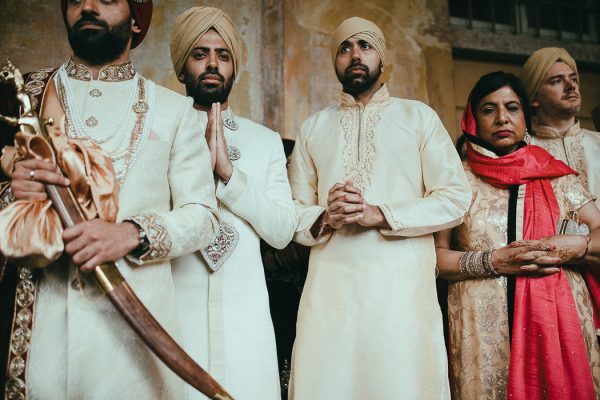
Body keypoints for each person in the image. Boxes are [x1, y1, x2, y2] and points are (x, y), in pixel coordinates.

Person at [0, 1, 219, 398]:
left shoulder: (175, 111)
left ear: (137, 19)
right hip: (40, 338)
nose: (88, 7)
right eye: (77, 0)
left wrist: (132, 234)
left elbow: (204, 216)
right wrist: (13, 194)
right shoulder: (23, 99)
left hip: (134, 341)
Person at [287, 16, 471, 399]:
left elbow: (455, 197)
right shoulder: (313, 127)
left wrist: (381, 213)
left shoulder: (418, 117)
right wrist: (326, 216)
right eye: (344, 47)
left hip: (401, 294)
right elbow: (292, 211)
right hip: (330, 294)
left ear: (381, 57)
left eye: (365, 46)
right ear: (335, 62)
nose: (355, 55)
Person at [434, 71, 600, 399]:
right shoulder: (455, 182)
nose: (502, 118)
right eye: (488, 109)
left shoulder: (555, 175)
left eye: (512, 108)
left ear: (525, 115)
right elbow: (434, 258)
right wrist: (492, 261)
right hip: (480, 332)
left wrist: (575, 246)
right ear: (471, 119)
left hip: (556, 326)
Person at [169, 6, 297, 399]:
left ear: (234, 68)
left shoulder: (265, 141)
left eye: (223, 55)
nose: (212, 64)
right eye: (200, 53)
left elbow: (281, 231)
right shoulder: (160, 131)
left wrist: (230, 175)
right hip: (176, 314)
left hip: (247, 320)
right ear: (181, 66)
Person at [521, 47, 600, 336]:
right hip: (555, 281)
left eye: (573, 78)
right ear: (533, 98)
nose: (571, 86)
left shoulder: (597, 143)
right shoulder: (524, 154)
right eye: (556, 81)